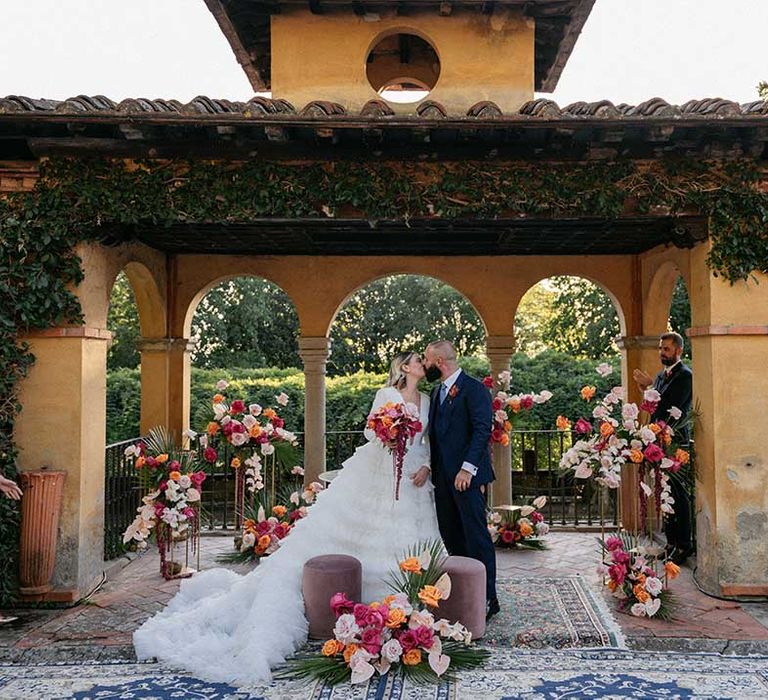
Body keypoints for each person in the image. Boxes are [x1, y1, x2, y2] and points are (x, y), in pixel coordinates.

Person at [134, 351, 440, 685]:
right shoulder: (387, 394)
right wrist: (388, 434)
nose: (423, 365)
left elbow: (425, 441)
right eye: (418, 360)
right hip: (379, 470)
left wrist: (424, 465)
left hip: (412, 475)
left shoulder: (426, 398)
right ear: (405, 367)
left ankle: (407, 600)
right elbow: (370, 431)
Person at [422, 340, 498, 620]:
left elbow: (481, 431)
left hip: (467, 478)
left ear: (440, 361)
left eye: (428, 360)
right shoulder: (435, 391)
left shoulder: (474, 389)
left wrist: (467, 470)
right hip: (443, 480)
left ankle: (489, 597)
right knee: (452, 536)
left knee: (476, 538)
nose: (425, 365)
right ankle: (467, 593)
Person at [633, 331, 694, 565]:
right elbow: (652, 407)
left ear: (678, 350)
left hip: (676, 442)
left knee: (679, 494)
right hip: (658, 441)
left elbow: (672, 408)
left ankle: (685, 545)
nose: (661, 353)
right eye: (660, 349)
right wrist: (645, 389)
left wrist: (650, 388)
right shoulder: (660, 376)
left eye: (666, 349)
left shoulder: (685, 376)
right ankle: (670, 541)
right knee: (663, 491)